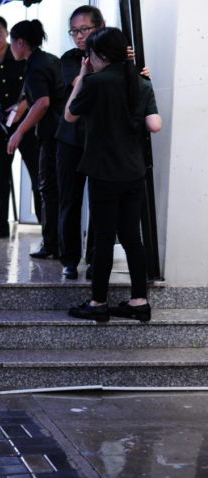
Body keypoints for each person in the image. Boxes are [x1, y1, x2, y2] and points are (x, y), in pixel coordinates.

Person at [65, 27, 162, 322]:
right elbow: (155, 125)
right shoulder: (141, 82)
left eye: (90, 55)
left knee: (105, 237)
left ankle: (98, 303)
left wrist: (83, 76)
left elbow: (70, 114)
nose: (88, 59)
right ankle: (139, 302)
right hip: (133, 172)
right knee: (133, 237)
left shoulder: (95, 82)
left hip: (103, 172)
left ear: (101, 55)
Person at [55, 6, 150, 279]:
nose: (79, 36)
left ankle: (97, 260)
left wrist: (132, 70)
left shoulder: (123, 61)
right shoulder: (71, 59)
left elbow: (134, 88)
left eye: (84, 29)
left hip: (104, 142)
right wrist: (116, 65)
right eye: (74, 31)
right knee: (70, 200)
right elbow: (83, 82)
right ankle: (69, 259)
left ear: (101, 27)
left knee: (101, 205)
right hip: (72, 139)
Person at [0, 15, 42, 239]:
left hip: (28, 124)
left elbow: (37, 92)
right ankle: (0, 223)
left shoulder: (23, 59)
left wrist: (22, 107)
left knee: (39, 174)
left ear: (7, 33)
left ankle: (46, 225)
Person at [8, 20, 64, 260]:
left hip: (51, 134)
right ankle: (60, 244)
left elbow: (42, 102)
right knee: (60, 191)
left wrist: (19, 131)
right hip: (65, 132)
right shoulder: (51, 59)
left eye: (12, 42)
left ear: (20, 42)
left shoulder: (34, 66)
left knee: (48, 190)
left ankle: (51, 244)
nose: (11, 46)